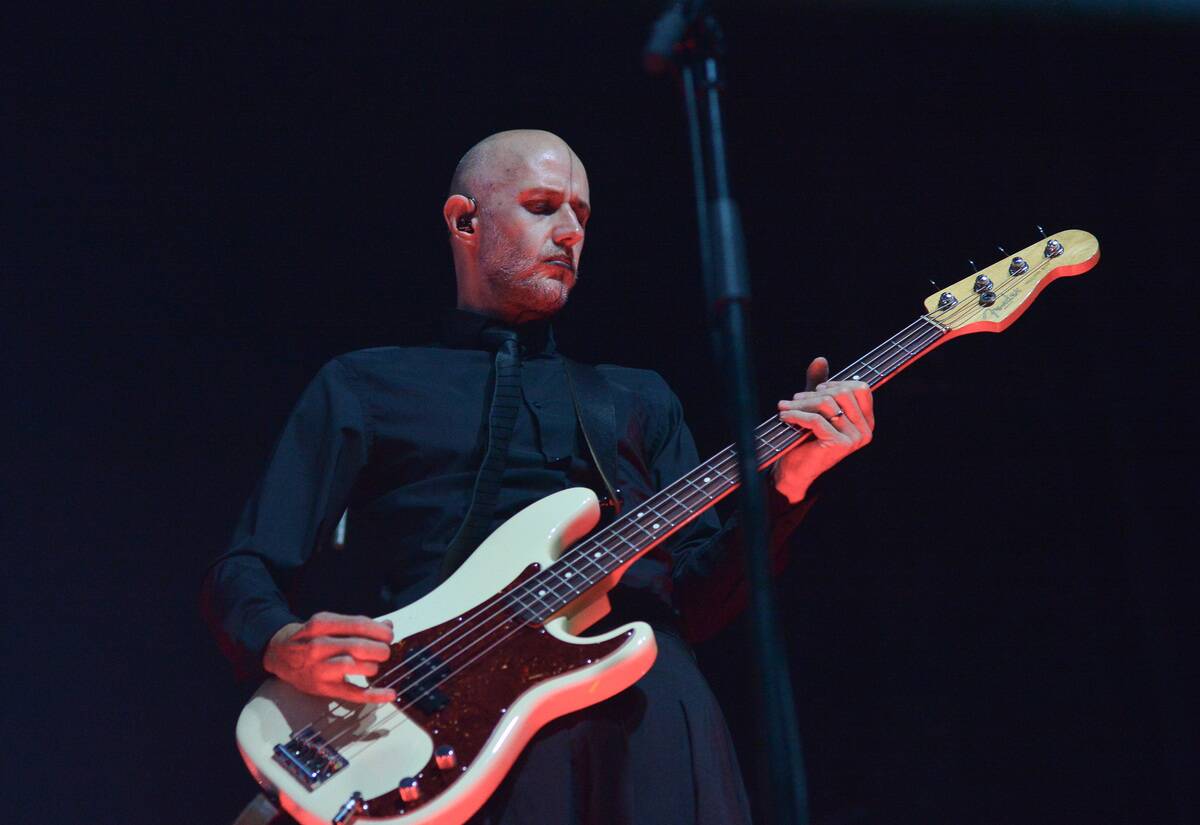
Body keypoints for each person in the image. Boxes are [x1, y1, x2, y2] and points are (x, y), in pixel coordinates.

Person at [203, 129, 875, 825]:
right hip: (432, 734)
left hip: (647, 727)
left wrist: (788, 485)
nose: (568, 233)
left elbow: (699, 601)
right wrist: (280, 642)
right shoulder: (367, 384)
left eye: (581, 216)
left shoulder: (637, 397)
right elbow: (244, 562)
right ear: (466, 220)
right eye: (542, 206)